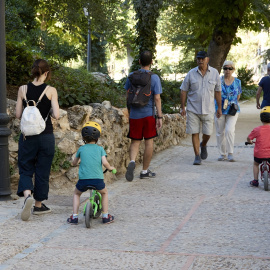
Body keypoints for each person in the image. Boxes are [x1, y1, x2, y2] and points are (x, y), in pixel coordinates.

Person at [15, 59, 60, 221]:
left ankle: (28, 196)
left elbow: (18, 115)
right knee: (42, 170)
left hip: (28, 136)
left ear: (33, 71)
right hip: (46, 136)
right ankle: (39, 205)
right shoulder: (51, 90)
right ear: (46, 73)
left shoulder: (23, 89)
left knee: (26, 167)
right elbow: (56, 114)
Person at [124, 50, 163, 181]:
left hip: (135, 115)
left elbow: (128, 95)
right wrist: (160, 117)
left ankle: (132, 161)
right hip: (148, 115)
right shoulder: (154, 78)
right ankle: (144, 171)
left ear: (139, 61)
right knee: (148, 142)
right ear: (151, 62)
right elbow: (157, 99)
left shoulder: (131, 75)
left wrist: (129, 112)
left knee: (135, 141)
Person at [67, 122, 115, 225]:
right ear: (97, 138)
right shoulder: (100, 149)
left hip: (83, 181)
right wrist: (111, 168)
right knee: (104, 193)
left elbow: (74, 162)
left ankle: (74, 217)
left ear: (83, 137)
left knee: (76, 193)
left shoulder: (81, 149)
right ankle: (106, 216)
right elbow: (105, 163)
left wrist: (76, 163)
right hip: (97, 180)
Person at [180, 51, 222, 165]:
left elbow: (218, 91)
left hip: (208, 108)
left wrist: (219, 108)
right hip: (193, 108)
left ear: (207, 59)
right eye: (198, 58)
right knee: (194, 132)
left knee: (208, 133)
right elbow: (183, 90)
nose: (200, 60)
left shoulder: (214, 73)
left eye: (202, 58)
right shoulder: (191, 73)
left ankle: (203, 144)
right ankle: (197, 156)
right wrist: (182, 107)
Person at [214, 60, 242, 162]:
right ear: (223, 69)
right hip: (219, 109)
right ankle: (222, 154)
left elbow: (238, 96)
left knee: (229, 130)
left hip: (232, 110)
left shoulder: (237, 82)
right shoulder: (218, 80)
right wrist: (220, 107)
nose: (227, 70)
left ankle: (230, 153)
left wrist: (231, 104)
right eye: (225, 68)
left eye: (230, 68)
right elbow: (215, 93)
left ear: (233, 69)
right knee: (219, 132)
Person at [247, 106, 270, 187]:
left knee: (256, 164)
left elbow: (249, 138)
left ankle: (255, 181)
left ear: (261, 119)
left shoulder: (257, 129)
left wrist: (249, 141)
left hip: (259, 154)